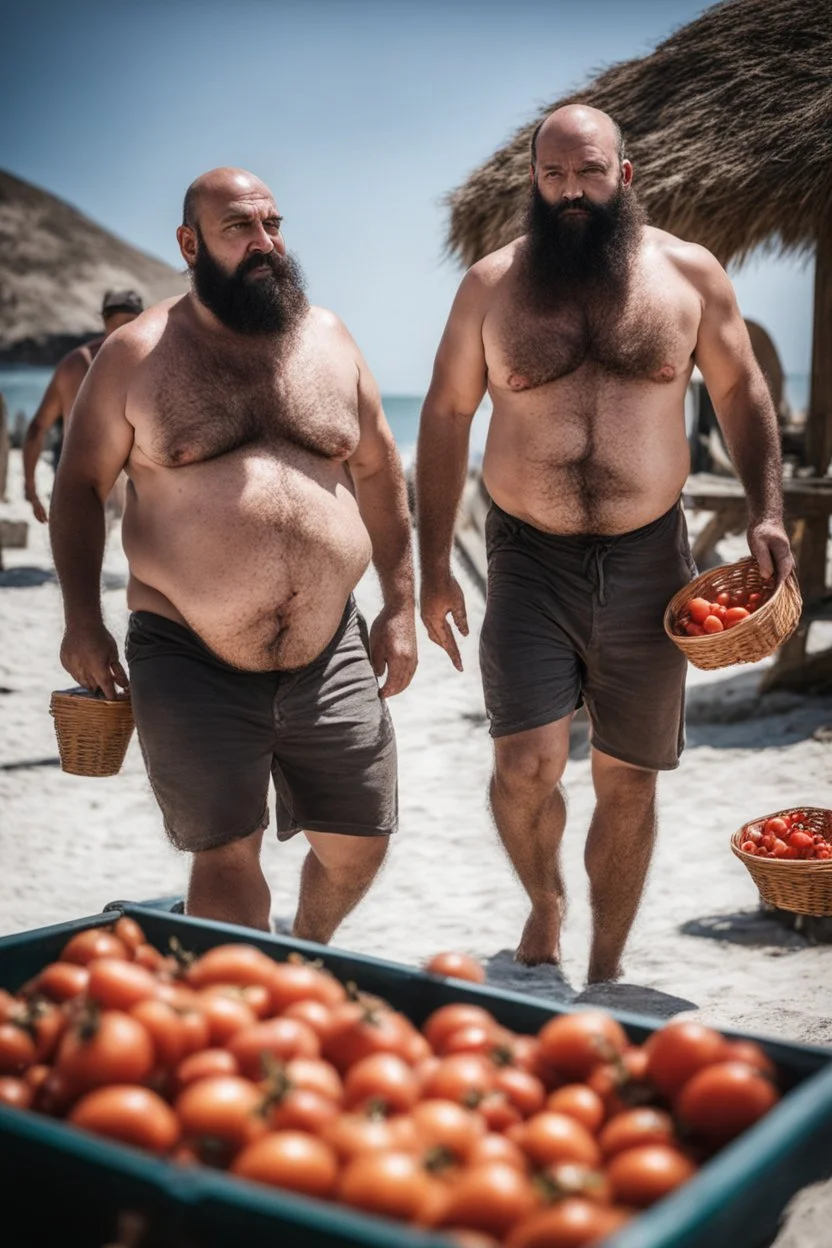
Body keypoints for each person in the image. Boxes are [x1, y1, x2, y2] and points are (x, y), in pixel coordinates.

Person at [416, 105, 793, 984]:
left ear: (624, 176)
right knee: (526, 763)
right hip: (527, 555)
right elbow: (444, 415)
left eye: (588, 173)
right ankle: (544, 900)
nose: (571, 192)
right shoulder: (491, 286)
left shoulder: (689, 275)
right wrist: (432, 566)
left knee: (629, 779)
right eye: (553, 176)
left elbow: (742, 393)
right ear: (534, 183)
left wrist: (766, 508)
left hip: (650, 559)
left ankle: (606, 967)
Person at [50, 167, 417, 938]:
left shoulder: (331, 338)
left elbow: (380, 468)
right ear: (189, 244)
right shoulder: (137, 354)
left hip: (329, 647)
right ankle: (248, 993)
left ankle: (307, 952)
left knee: (359, 842)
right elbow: (80, 485)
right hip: (188, 651)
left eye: (272, 225)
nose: (264, 244)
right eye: (238, 229)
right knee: (224, 853)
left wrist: (404, 604)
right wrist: (82, 620)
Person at [23, 290, 145, 522]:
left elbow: (37, 428)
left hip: (80, 485)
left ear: (103, 319)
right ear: (140, 318)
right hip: (130, 491)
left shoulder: (74, 364)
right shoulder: (149, 362)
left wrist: (31, 488)